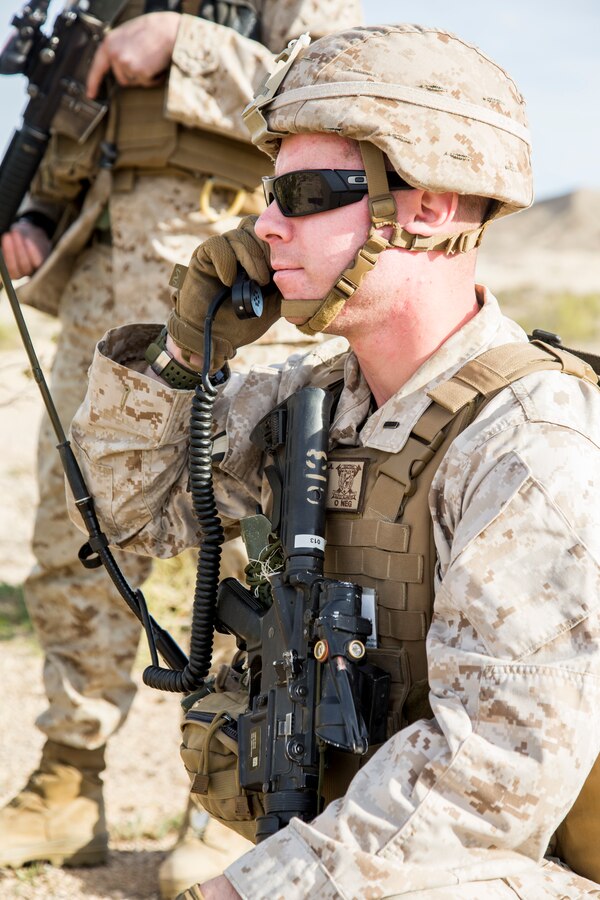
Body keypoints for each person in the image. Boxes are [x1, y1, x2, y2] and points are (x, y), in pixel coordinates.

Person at [68, 23, 600, 900]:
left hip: (501, 866)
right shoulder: (313, 400)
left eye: (304, 193)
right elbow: (132, 513)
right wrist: (179, 358)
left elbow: (494, 776)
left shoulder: (531, 443)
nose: (264, 224)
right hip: (353, 845)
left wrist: (261, 888)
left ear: (425, 207)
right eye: (268, 193)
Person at [0, 2, 362, 896]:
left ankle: (235, 795)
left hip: (230, 271)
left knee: (248, 538)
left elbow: (341, 88)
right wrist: (39, 216)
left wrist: (183, 43)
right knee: (75, 531)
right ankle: (67, 779)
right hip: (99, 268)